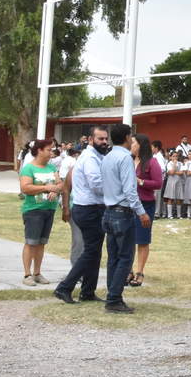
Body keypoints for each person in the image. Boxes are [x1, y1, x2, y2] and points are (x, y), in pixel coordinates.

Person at [54, 125, 109, 304]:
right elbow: (96, 185)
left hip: (93, 208)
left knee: (95, 252)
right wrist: (116, 188)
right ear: (91, 140)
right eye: (100, 138)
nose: (104, 142)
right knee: (91, 251)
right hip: (89, 209)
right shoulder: (90, 158)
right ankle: (64, 287)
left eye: (106, 138)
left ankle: (88, 291)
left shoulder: (97, 156)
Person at [98, 125, 148, 313]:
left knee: (113, 257)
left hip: (109, 210)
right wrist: (141, 212)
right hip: (122, 212)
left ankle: (112, 294)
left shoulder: (108, 156)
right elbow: (129, 190)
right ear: (127, 137)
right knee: (125, 258)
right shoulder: (125, 158)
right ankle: (114, 299)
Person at [18, 138, 61, 286]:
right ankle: (27, 274)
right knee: (31, 242)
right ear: (39, 150)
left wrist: (55, 190)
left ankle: (37, 273)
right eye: (49, 150)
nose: (51, 153)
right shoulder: (28, 168)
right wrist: (46, 188)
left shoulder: (52, 168)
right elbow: (25, 188)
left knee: (41, 243)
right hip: (33, 211)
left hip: (49, 209)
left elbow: (60, 184)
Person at [132, 134, 163, 287]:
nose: (131, 145)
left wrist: (141, 182)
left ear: (141, 145)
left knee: (142, 240)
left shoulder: (152, 162)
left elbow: (158, 183)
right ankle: (128, 270)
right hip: (129, 204)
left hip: (145, 204)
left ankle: (139, 272)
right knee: (128, 239)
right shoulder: (129, 160)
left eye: (133, 143)